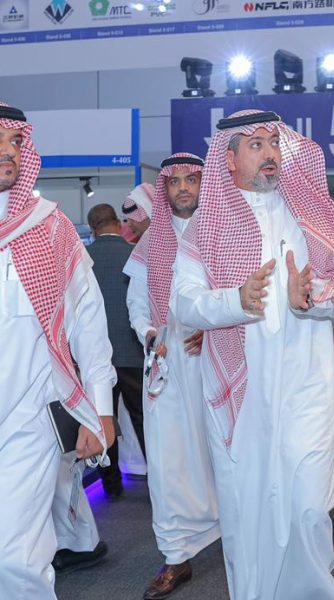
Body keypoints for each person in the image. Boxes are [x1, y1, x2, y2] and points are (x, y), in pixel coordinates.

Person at [171, 109, 334, 600]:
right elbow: (183, 302)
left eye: (274, 143)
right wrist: (234, 300)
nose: (269, 153)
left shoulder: (311, 219)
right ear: (230, 158)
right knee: (248, 508)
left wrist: (314, 296)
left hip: (307, 383)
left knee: (309, 505)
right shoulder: (206, 226)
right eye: (256, 144)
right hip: (241, 393)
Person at [0, 103, 116, 600]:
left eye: (15, 141)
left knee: (15, 556)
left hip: (27, 418)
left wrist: (100, 410)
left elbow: (89, 324)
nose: (7, 151)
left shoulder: (49, 227)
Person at [124, 153, 220, 600]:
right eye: (174, 181)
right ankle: (176, 555)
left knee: (225, 452)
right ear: (163, 188)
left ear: (204, 184)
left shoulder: (224, 232)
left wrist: (214, 326)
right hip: (167, 360)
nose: (183, 187)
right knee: (167, 461)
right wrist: (149, 334)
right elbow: (136, 301)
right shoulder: (152, 241)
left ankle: (238, 532)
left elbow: (244, 294)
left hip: (219, 358)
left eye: (191, 179)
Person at [87, 203, 146, 499]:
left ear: (93, 228)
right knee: (144, 420)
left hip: (97, 358)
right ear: (117, 222)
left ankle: (111, 486)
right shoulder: (136, 254)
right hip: (133, 352)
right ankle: (159, 482)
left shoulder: (83, 257)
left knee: (103, 419)